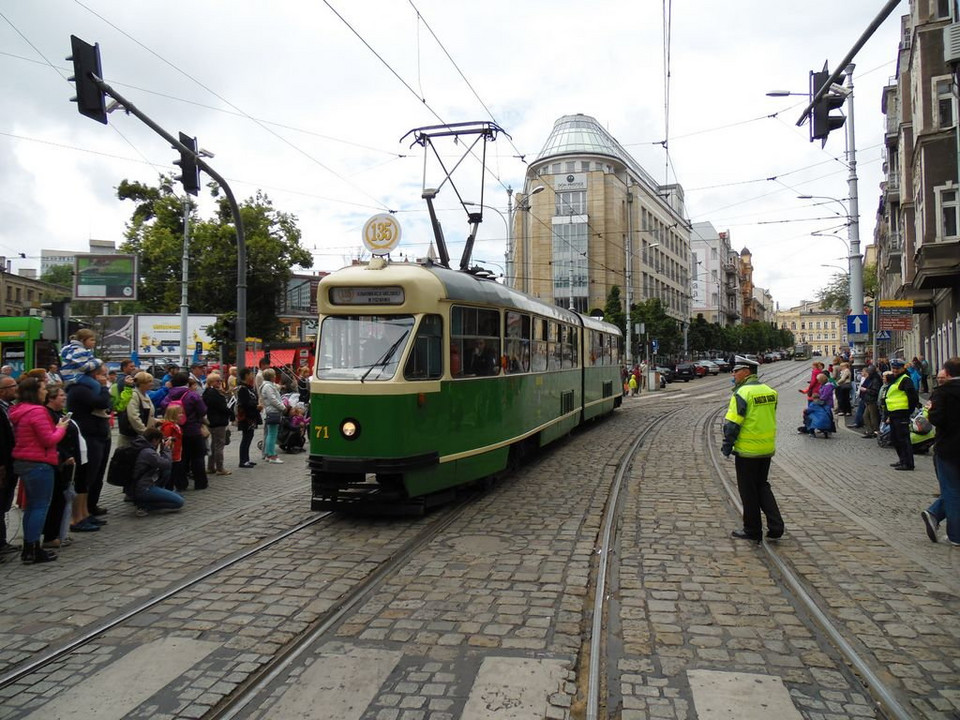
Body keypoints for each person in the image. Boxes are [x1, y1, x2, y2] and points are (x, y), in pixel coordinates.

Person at [721, 355, 784, 544]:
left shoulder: (742, 393)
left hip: (748, 450)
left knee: (748, 490)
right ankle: (776, 526)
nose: (733, 374)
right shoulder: (770, 391)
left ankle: (752, 529)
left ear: (746, 372)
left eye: (736, 371)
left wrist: (727, 445)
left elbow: (732, 424)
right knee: (762, 486)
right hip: (766, 448)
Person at [9, 376, 70, 563]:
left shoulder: (18, 410)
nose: (45, 391)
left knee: (32, 507)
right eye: (43, 389)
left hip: (24, 460)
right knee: (39, 506)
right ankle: (33, 548)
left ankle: (30, 547)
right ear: (35, 392)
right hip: (39, 462)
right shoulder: (37, 411)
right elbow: (48, 439)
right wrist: (61, 427)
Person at [65, 361, 112, 522]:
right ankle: (79, 514)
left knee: (97, 475)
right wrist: (105, 388)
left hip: (100, 434)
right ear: (95, 374)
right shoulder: (81, 389)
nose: (105, 378)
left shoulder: (93, 388)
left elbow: (109, 405)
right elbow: (103, 402)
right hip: (89, 436)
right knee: (87, 476)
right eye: (103, 374)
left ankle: (89, 508)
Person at [920, 358, 960, 546]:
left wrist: (930, 411)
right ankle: (934, 513)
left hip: (949, 446)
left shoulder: (942, 393)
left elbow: (936, 418)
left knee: (951, 489)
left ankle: (955, 535)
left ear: (948, 372)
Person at [41, 385, 80, 550]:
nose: (64, 398)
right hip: (58, 462)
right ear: (51, 398)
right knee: (56, 499)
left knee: (62, 499)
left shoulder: (59, 414)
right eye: (60, 395)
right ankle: (50, 535)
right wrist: (64, 457)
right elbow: (52, 439)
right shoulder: (47, 415)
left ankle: (58, 532)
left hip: (66, 461)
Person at [160, 372, 209, 490]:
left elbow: (163, 406)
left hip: (175, 432)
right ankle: (200, 483)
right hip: (193, 430)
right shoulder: (192, 395)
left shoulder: (169, 396)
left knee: (180, 458)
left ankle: (181, 484)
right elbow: (202, 410)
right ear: (187, 382)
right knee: (197, 457)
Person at [130, 428, 184, 516]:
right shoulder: (148, 452)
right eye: (159, 441)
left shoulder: (140, 446)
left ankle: (148, 500)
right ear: (154, 440)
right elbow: (167, 464)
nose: (159, 443)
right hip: (144, 488)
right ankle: (144, 505)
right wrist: (166, 449)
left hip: (138, 486)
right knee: (179, 502)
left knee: (179, 496)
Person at [885, 358, 920, 471]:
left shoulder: (905, 380)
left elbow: (913, 397)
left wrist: (908, 411)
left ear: (902, 368)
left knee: (903, 439)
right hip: (894, 413)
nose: (894, 370)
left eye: (897, 368)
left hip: (902, 414)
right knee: (895, 439)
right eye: (893, 368)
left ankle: (908, 463)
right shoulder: (896, 379)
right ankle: (902, 460)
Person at [0, 374, 18, 557]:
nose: (16, 388)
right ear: (3, 391)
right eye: (13, 386)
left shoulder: (10, 408)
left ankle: (2, 541)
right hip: (3, 465)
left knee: (4, 504)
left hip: (11, 463)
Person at [202, 372, 233, 476]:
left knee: (214, 445)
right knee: (219, 445)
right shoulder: (213, 393)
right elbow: (221, 407)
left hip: (213, 421)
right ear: (211, 382)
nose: (219, 382)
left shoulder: (208, 392)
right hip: (218, 421)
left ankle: (211, 467)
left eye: (220, 380)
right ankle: (220, 468)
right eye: (217, 381)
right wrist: (230, 412)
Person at [118, 372, 157, 449]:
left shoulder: (145, 394)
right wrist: (145, 432)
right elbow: (133, 416)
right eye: (149, 382)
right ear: (141, 383)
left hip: (140, 436)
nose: (152, 384)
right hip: (132, 437)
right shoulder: (134, 395)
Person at [59, 329, 103, 395]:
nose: (94, 342)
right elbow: (84, 367)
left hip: (65, 375)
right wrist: (98, 361)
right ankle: (94, 401)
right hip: (75, 376)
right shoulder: (80, 350)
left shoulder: (67, 347)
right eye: (91, 340)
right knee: (96, 385)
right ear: (82, 340)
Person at [236, 367, 262, 468]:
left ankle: (246, 459)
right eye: (251, 374)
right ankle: (243, 460)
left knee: (249, 437)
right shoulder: (242, 388)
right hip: (246, 417)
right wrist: (256, 406)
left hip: (252, 416)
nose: (253, 376)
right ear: (246, 375)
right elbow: (245, 403)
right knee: (246, 438)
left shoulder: (248, 387)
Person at [260, 368, 286, 464]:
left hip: (271, 411)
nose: (275, 376)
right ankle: (272, 455)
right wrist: (283, 407)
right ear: (271, 377)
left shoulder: (268, 385)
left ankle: (268, 454)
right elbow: (273, 399)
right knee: (272, 434)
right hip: (273, 411)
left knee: (270, 434)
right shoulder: (268, 387)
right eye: (274, 375)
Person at [160, 403, 185, 491]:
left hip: (177, 453)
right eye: (179, 413)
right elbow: (166, 441)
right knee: (171, 474)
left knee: (175, 472)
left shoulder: (176, 425)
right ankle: (169, 489)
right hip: (172, 454)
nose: (181, 415)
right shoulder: (169, 427)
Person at [857, 365, 883, 439]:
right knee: (866, 416)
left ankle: (874, 431)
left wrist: (865, 390)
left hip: (872, 400)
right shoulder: (872, 378)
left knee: (873, 416)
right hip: (869, 400)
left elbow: (875, 391)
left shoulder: (875, 380)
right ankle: (870, 431)